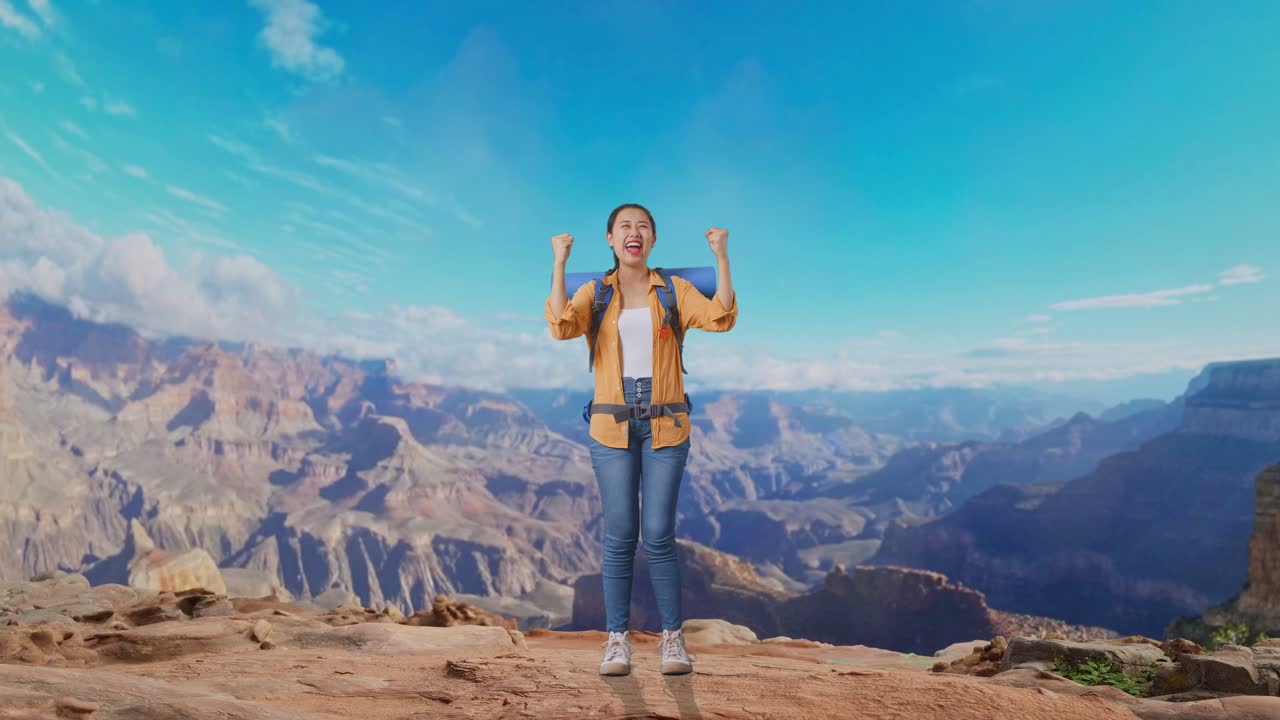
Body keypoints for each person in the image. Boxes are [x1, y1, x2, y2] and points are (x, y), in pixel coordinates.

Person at [545, 203, 738, 676]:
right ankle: (617, 641)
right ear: (610, 239)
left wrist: (722, 257)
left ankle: (673, 641)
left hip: (666, 424)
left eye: (643, 227)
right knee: (620, 536)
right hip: (611, 426)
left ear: (653, 240)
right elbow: (560, 326)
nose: (634, 233)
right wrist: (560, 264)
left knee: (658, 535)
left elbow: (722, 317)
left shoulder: (672, 291)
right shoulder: (596, 292)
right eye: (624, 227)